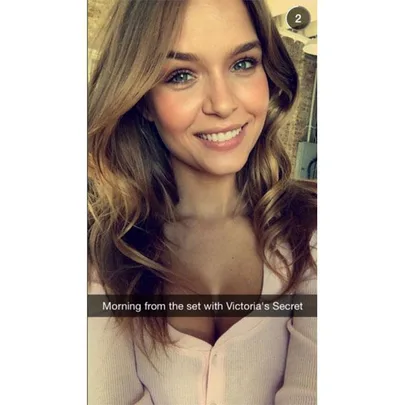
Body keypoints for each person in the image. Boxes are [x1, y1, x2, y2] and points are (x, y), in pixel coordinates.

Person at [88, 0, 317, 404]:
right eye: (181, 74)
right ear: (142, 100)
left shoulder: (316, 230)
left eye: (243, 63)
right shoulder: (100, 248)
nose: (223, 103)